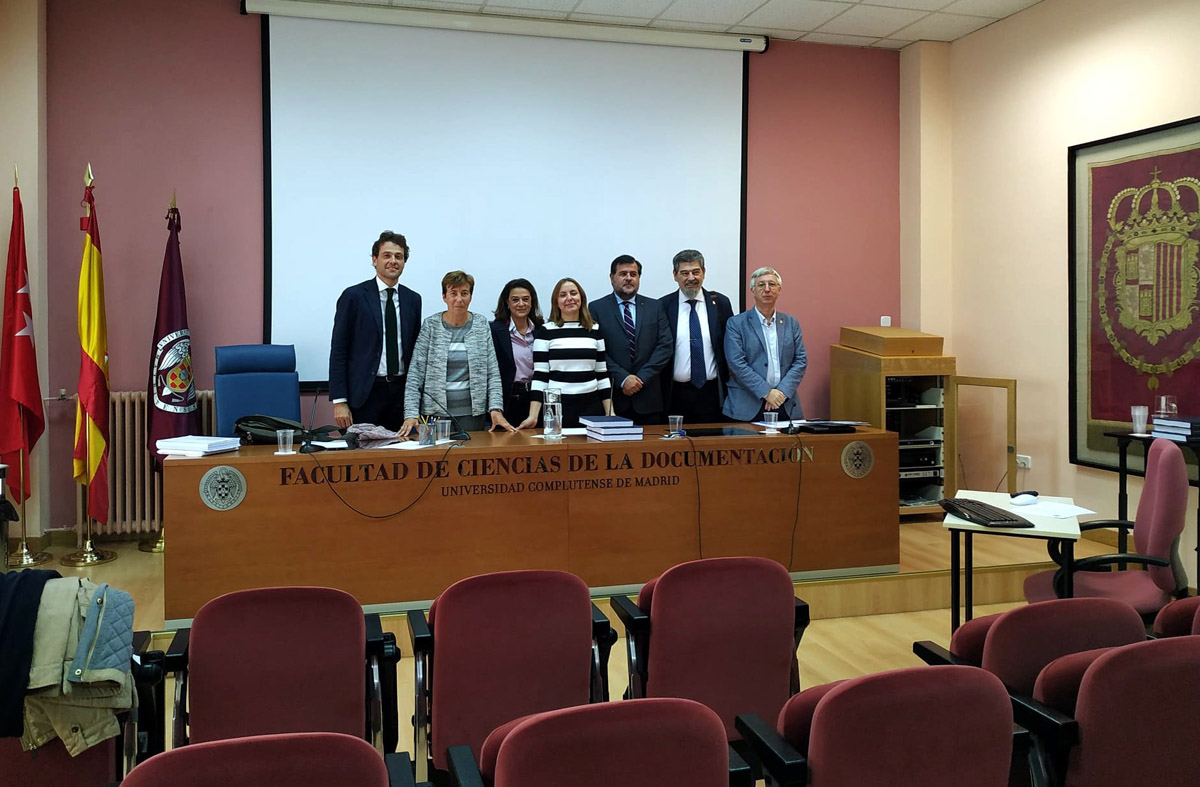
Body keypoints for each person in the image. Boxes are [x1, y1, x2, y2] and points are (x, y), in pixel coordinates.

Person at [401, 271, 514, 435]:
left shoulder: (481, 325)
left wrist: (495, 409)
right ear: (444, 296)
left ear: (471, 296)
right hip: (435, 415)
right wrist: (411, 413)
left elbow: (492, 372)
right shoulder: (430, 325)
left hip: (473, 414)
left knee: (470, 458)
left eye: (464, 293)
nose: (459, 299)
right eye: (453, 293)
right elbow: (415, 373)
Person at [329, 231, 421, 431]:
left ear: (404, 262)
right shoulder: (353, 296)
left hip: (400, 395)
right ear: (374, 260)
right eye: (386, 255)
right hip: (364, 395)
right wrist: (339, 401)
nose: (393, 261)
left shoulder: (413, 299)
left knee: (400, 455)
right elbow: (339, 350)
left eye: (399, 256)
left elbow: (414, 351)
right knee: (362, 459)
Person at [589, 254, 672, 425]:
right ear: (612, 278)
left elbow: (665, 346)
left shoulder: (655, 307)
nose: (628, 278)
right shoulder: (596, 308)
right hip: (614, 400)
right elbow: (595, 350)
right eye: (623, 274)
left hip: (649, 399)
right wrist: (624, 378)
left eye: (633, 274)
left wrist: (640, 378)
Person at [521, 278, 613, 429]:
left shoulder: (594, 330)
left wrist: (611, 412)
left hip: (591, 407)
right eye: (563, 295)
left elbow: (602, 375)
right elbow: (540, 376)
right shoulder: (546, 331)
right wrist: (532, 415)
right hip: (557, 408)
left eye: (573, 293)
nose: (569, 298)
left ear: (581, 298)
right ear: (556, 302)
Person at [659, 249, 735, 424]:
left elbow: (730, 345)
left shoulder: (720, 303)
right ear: (675, 275)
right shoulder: (662, 306)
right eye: (684, 273)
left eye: (696, 272)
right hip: (674, 394)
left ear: (704, 273)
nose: (691, 278)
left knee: (710, 448)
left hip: (712, 393)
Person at [723, 267, 807, 423]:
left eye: (772, 285)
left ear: (779, 290)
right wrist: (766, 392)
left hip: (784, 403)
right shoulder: (736, 323)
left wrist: (781, 392)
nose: (767, 289)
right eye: (761, 285)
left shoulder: (791, 323)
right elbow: (736, 364)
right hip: (747, 406)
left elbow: (800, 360)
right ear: (752, 290)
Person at [490, 278, 543, 428]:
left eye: (525, 299)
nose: (521, 304)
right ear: (507, 303)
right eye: (515, 300)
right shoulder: (495, 331)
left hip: (536, 400)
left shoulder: (541, 330)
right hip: (508, 400)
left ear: (532, 302)